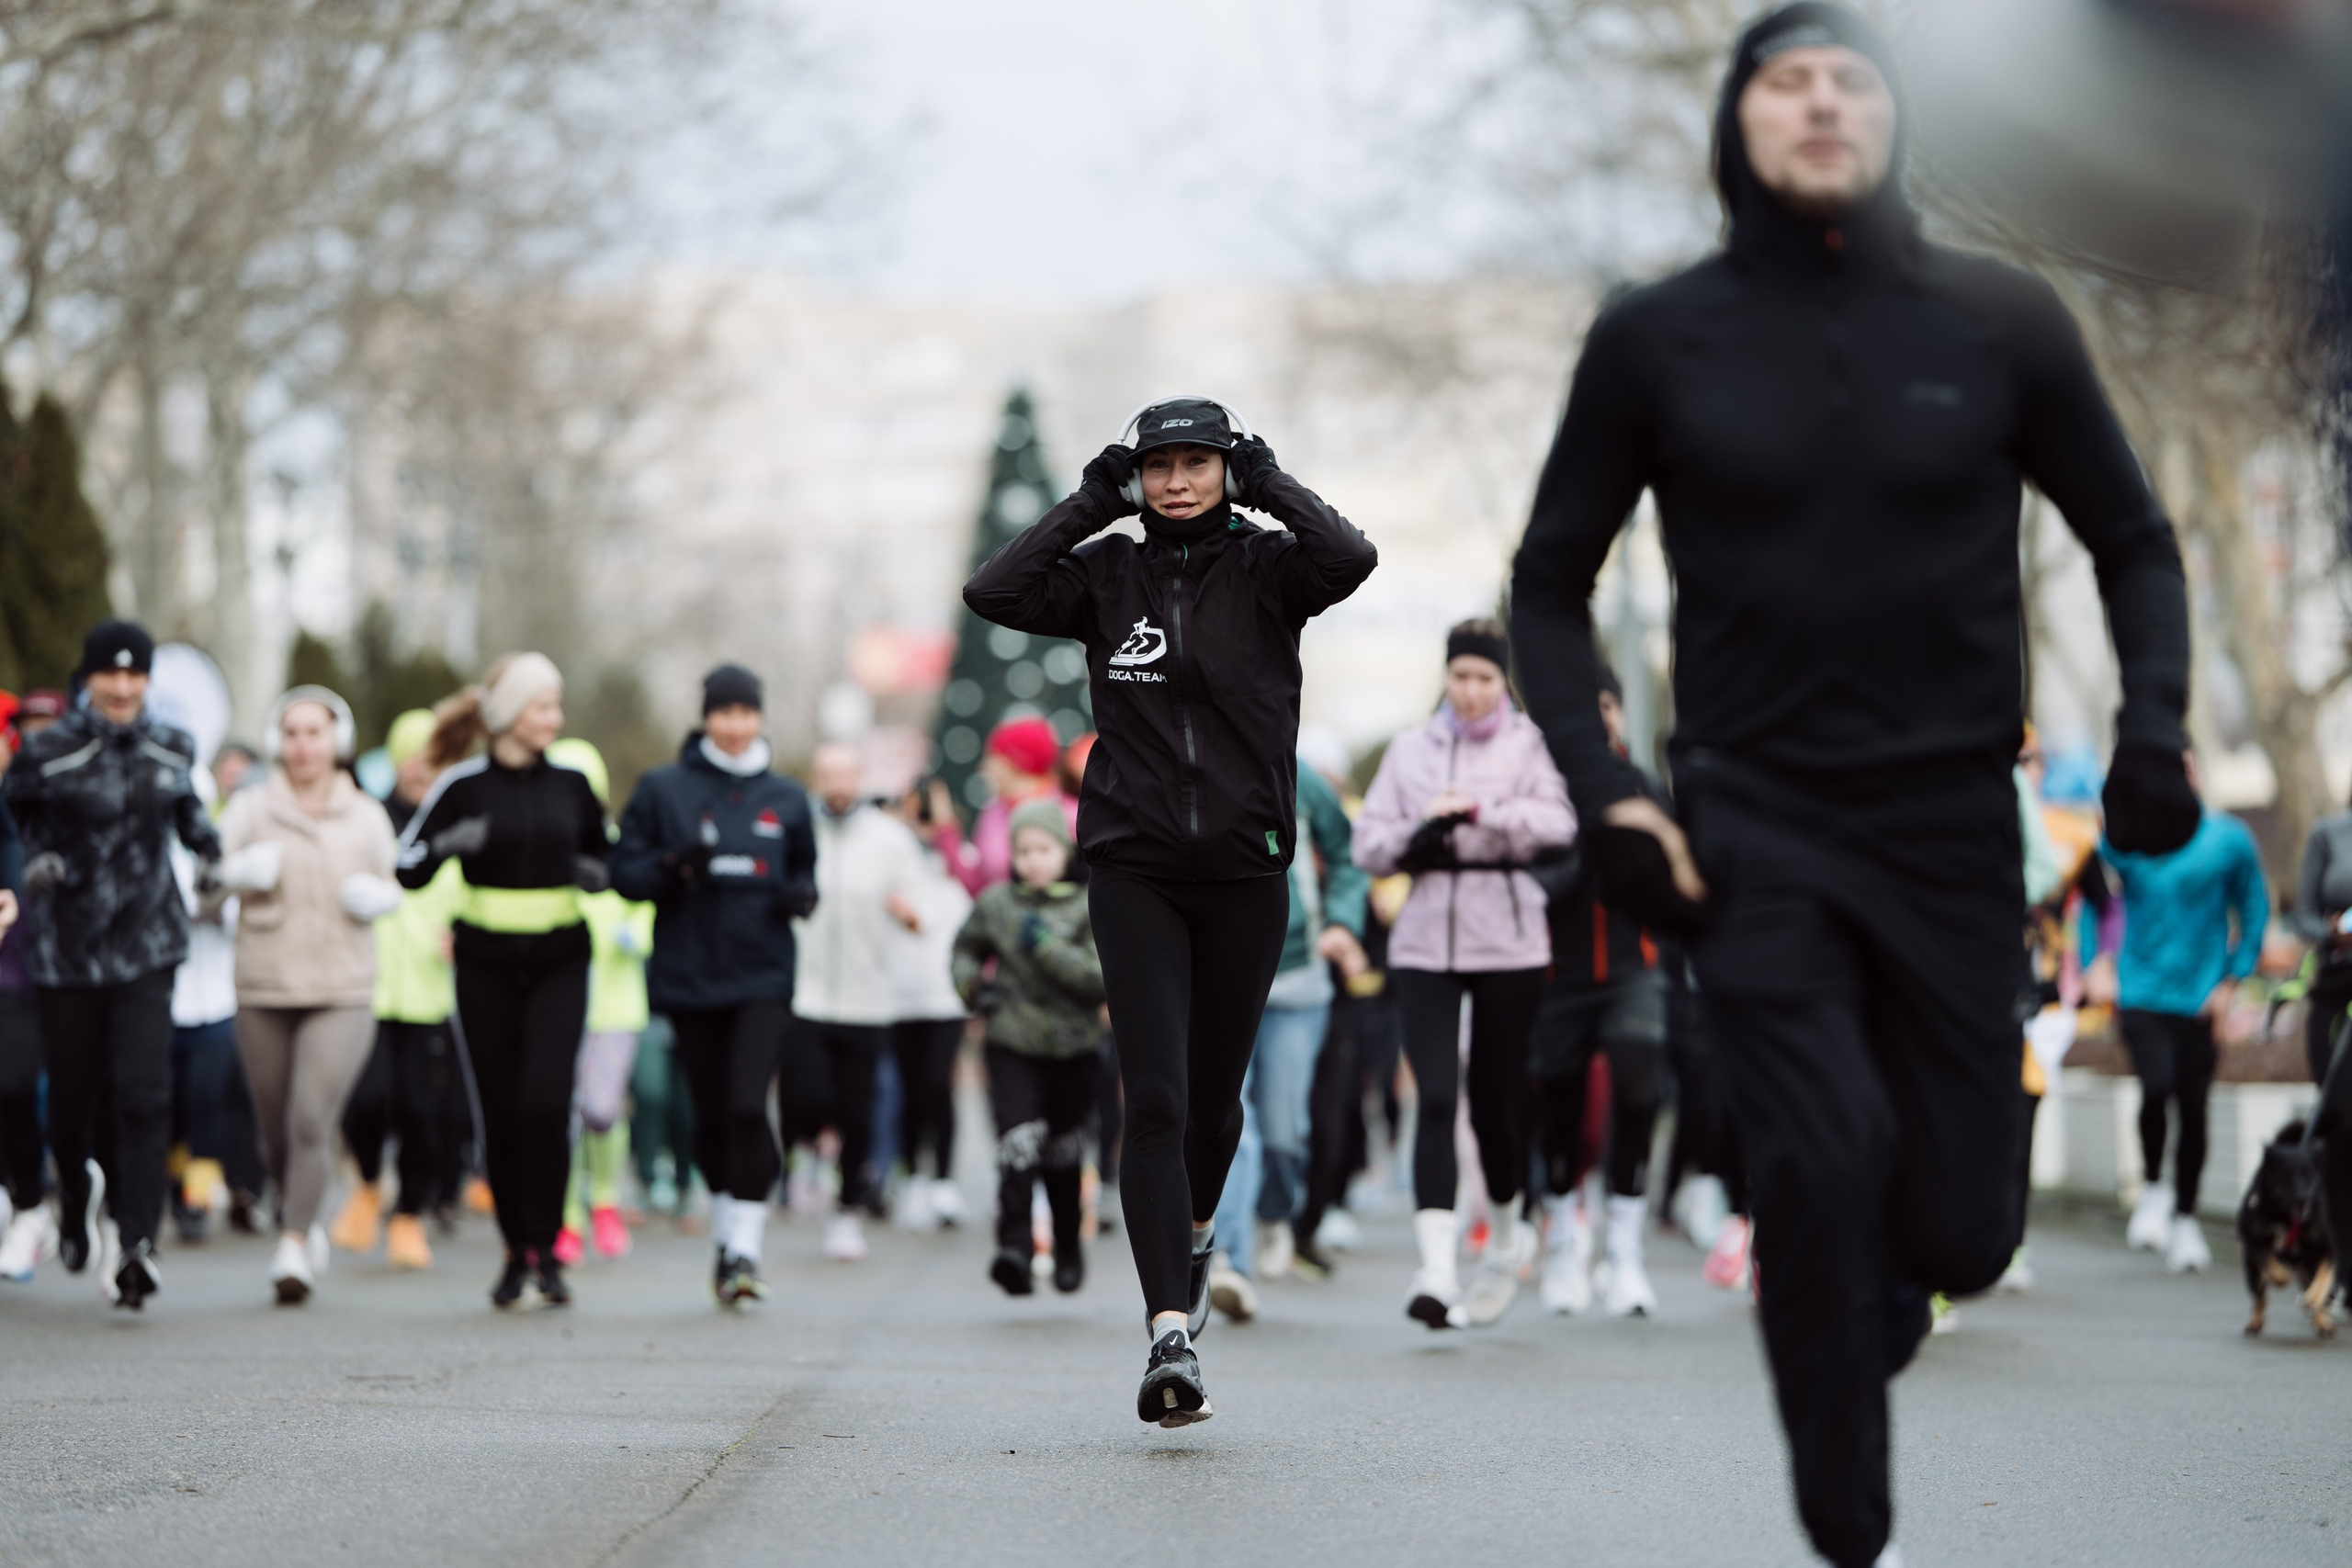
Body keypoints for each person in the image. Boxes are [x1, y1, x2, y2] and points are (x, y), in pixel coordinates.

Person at [1507, 8, 2197, 1563]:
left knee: (1965, 1223)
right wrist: (1613, 791)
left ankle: (1859, 1299)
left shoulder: (2000, 318)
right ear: (1737, 121)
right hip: (1752, 817)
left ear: (1896, 119)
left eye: (1852, 79)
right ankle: (1847, 1524)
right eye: (1787, 81)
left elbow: (2134, 539)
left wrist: (2153, 725)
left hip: (1953, 818)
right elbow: (1550, 584)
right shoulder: (1656, 336)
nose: (1822, 103)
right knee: (1817, 1153)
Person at [965, 393, 1375, 1427]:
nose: (1177, 482)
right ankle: (1167, 1335)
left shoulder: (1270, 570)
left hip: (1245, 873)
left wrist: (1268, 481)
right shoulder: (1107, 575)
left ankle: (1194, 1231)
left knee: (1213, 1103)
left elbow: (1350, 556)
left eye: (1197, 463)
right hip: (1134, 870)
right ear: (1136, 478)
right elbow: (993, 588)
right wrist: (1090, 502)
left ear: (1225, 470)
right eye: (1158, 467)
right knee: (1154, 1096)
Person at [1354, 619, 1575, 1329]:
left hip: (1509, 938)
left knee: (1494, 1101)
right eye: (1461, 676)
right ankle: (1437, 1270)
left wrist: (1482, 812)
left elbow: (1560, 822)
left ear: (1502, 681)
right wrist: (1419, 831)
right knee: (1436, 1096)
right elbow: (1369, 843)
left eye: (1484, 677)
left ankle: (1507, 1238)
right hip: (1424, 939)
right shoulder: (1410, 748)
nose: (1472, 690)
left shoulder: (1529, 744)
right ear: (1445, 678)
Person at [6, 621, 221, 1308]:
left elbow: (187, 812)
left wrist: (210, 847)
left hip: (148, 945)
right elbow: (12, 828)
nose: (123, 687)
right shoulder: (48, 749)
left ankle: (136, 1244)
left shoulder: (172, 743)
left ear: (149, 679)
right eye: (111, 673)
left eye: (136, 674)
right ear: (89, 677)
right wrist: (32, 865)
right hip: (67, 950)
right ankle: (75, 1194)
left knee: (143, 1094)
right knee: (72, 1103)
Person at [397, 654, 611, 1309]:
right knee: (501, 1108)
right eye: (543, 705)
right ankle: (516, 1249)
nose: (555, 718)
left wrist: (597, 871)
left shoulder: (573, 783)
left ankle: (549, 1246)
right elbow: (406, 864)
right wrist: (446, 846)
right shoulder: (462, 786)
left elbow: (610, 856)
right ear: (511, 713)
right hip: (485, 964)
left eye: (555, 705)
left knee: (547, 1102)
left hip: (559, 960)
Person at [611, 663, 817, 1304]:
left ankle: (746, 1248)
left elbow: (805, 871)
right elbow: (624, 874)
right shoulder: (663, 788)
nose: (735, 725)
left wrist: (800, 894)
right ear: (705, 717)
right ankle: (727, 1241)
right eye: (724, 712)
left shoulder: (786, 796)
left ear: (760, 717)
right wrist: (673, 867)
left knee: (749, 1106)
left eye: (746, 712)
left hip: (763, 975)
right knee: (711, 1113)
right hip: (690, 975)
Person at [214, 685, 401, 1303]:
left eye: (314, 732)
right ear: (278, 741)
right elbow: (204, 884)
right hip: (264, 985)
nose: (303, 746)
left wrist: (382, 898)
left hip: (342, 988)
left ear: (335, 739)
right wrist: (234, 874)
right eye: (291, 733)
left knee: (310, 1117)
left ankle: (293, 1242)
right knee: (274, 1131)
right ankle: (301, 1210)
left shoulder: (365, 813)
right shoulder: (250, 809)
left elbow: (394, 881)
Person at [1204, 750, 1368, 1321]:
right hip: (1223, 975)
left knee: (1284, 1131)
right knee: (1231, 1123)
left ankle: (1274, 1214)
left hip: (1298, 979)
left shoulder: (1300, 776)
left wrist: (1343, 921)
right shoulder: (1201, 763)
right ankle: (1231, 1259)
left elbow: (1348, 854)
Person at [1526, 666, 1667, 1317]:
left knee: (1638, 1094)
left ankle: (1625, 1256)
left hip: (1635, 970)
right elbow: (1533, 881)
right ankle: (1563, 1244)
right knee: (1561, 1112)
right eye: (1588, 706)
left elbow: (1674, 868)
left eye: (1607, 704)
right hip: (1561, 974)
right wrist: (1591, 844)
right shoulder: (1542, 787)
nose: (1600, 717)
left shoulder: (1643, 786)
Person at [2091, 757, 2268, 1274]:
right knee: (2156, 1087)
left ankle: (2186, 1219)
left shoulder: (2228, 840)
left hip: (2201, 997)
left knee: (2193, 1106)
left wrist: (2232, 981)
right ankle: (2153, 1186)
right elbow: (2093, 893)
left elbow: (2254, 909)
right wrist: (2097, 960)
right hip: (2140, 991)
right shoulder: (2130, 837)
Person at [334, 707, 472, 1269]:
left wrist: (465, 933)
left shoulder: (457, 822)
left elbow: (474, 891)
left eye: (435, 760)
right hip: (365, 985)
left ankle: (408, 1214)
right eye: (414, 757)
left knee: (422, 1111)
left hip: (427, 993)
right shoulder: (366, 818)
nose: (422, 769)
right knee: (365, 1101)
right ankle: (368, 1183)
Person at [953, 798, 1105, 1295]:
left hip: (1074, 1047)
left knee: (1062, 1155)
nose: (1033, 861)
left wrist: (1046, 946)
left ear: (1064, 850)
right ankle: (1015, 1247)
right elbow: (965, 948)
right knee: (1017, 1144)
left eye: (1043, 849)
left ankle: (1067, 1243)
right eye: (1023, 851)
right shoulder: (998, 903)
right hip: (1011, 1042)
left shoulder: (1088, 903)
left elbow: (1098, 978)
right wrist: (972, 986)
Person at [786, 741, 925, 1264]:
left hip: (867, 998)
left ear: (860, 778)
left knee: (857, 1110)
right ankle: (810, 1151)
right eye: (828, 775)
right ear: (816, 778)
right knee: (805, 1095)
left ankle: (847, 1212)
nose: (838, 786)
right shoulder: (798, 830)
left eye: (846, 775)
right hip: (804, 993)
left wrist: (910, 914)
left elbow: (922, 901)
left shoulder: (889, 839)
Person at [548, 738, 652, 1266]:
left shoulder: (618, 845)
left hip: (613, 1004)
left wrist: (637, 934)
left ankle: (605, 1198)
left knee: (601, 1109)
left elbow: (644, 900)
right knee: (559, 1114)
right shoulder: (540, 847)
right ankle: (566, 1216)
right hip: (552, 999)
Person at [886, 776, 975, 1231]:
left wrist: (944, 827)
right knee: (908, 1088)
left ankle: (943, 1178)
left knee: (939, 1085)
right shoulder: (893, 854)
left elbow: (971, 886)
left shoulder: (958, 857)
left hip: (945, 995)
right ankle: (912, 1177)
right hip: (898, 994)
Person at [959, 718, 1076, 895]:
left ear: (1017, 761)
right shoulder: (993, 813)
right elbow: (979, 886)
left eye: (993, 757)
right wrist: (944, 831)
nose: (985, 767)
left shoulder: (1072, 815)